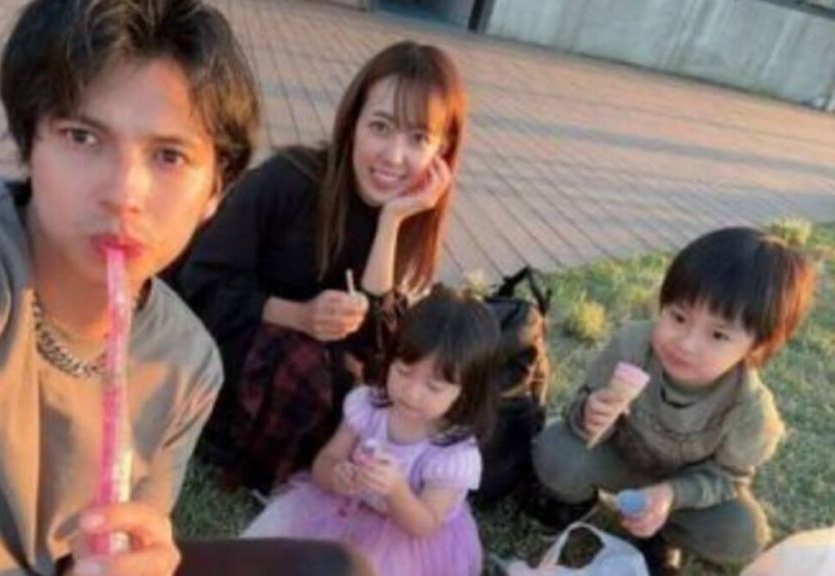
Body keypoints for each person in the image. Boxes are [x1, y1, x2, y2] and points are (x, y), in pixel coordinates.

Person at [0, 1, 373, 575]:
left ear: (216, 192)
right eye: (81, 137)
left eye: (169, 156)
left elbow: (109, 545)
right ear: (30, 145)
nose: (123, 193)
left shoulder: (185, 365)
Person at [175, 40, 467, 492]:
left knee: (391, 391)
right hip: (229, 341)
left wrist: (391, 223)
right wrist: (300, 315)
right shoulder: (289, 179)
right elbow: (200, 283)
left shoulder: (408, 212)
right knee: (314, 374)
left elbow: (375, 344)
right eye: (381, 127)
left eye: (418, 139)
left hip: (320, 364)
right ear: (353, 123)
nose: (394, 157)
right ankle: (244, 452)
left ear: (441, 150)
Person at [530, 227, 816, 575]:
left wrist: (670, 495)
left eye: (718, 335)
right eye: (678, 317)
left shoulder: (751, 410)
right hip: (619, 458)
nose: (686, 343)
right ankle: (578, 503)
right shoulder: (631, 345)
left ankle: (664, 535)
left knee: (743, 534)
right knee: (554, 449)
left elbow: (727, 478)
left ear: (756, 347)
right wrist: (589, 414)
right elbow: (581, 406)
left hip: (683, 489)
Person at [241, 286, 501, 576]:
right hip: (341, 507)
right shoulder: (369, 406)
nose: (412, 393)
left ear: (465, 392)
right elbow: (326, 460)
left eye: (434, 387)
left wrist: (396, 490)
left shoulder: (453, 454)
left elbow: (424, 525)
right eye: (403, 371)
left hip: (402, 540)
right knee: (284, 554)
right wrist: (337, 475)